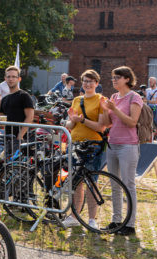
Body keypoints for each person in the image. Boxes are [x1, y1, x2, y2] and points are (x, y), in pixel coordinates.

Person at [61, 69, 107, 229]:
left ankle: (92, 219)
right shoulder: (76, 100)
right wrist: (71, 121)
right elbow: (70, 124)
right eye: (85, 81)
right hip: (75, 143)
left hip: (93, 145)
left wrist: (82, 120)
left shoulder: (101, 100)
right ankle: (74, 216)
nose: (87, 84)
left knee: (91, 182)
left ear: (96, 83)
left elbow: (101, 127)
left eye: (91, 81)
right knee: (75, 182)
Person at [100, 66, 143, 236]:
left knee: (128, 184)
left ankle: (130, 224)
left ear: (127, 78)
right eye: (112, 77)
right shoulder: (113, 97)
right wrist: (105, 109)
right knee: (114, 184)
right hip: (113, 144)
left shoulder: (134, 97)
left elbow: (132, 122)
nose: (113, 80)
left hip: (128, 145)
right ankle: (116, 220)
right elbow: (108, 123)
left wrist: (115, 108)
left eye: (117, 77)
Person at [0, 65, 35, 154]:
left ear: (19, 79)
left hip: (20, 139)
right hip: (7, 139)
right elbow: (1, 118)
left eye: (14, 77)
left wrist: (20, 135)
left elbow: (30, 117)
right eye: (8, 77)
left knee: (17, 166)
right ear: (5, 79)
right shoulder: (4, 99)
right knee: (5, 166)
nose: (11, 79)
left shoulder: (24, 96)